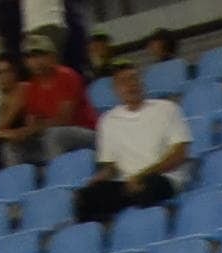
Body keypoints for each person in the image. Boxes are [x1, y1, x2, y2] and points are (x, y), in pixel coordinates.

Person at [74, 59, 188, 223]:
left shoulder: (167, 109)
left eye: (134, 78)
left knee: (148, 187)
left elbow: (179, 154)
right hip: (127, 184)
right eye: (123, 82)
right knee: (86, 197)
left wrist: (142, 176)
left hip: (162, 178)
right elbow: (110, 166)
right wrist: (99, 178)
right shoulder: (108, 120)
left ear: (141, 81)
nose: (131, 85)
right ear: (115, 89)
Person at [9, 29, 97, 161]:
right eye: (29, 57)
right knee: (11, 148)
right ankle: (27, 179)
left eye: (40, 55)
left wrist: (37, 127)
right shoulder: (31, 88)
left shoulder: (67, 76)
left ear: (52, 57)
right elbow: (32, 123)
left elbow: (65, 120)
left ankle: (62, 177)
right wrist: (22, 133)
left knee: (54, 134)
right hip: (51, 137)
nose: (35, 61)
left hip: (86, 132)